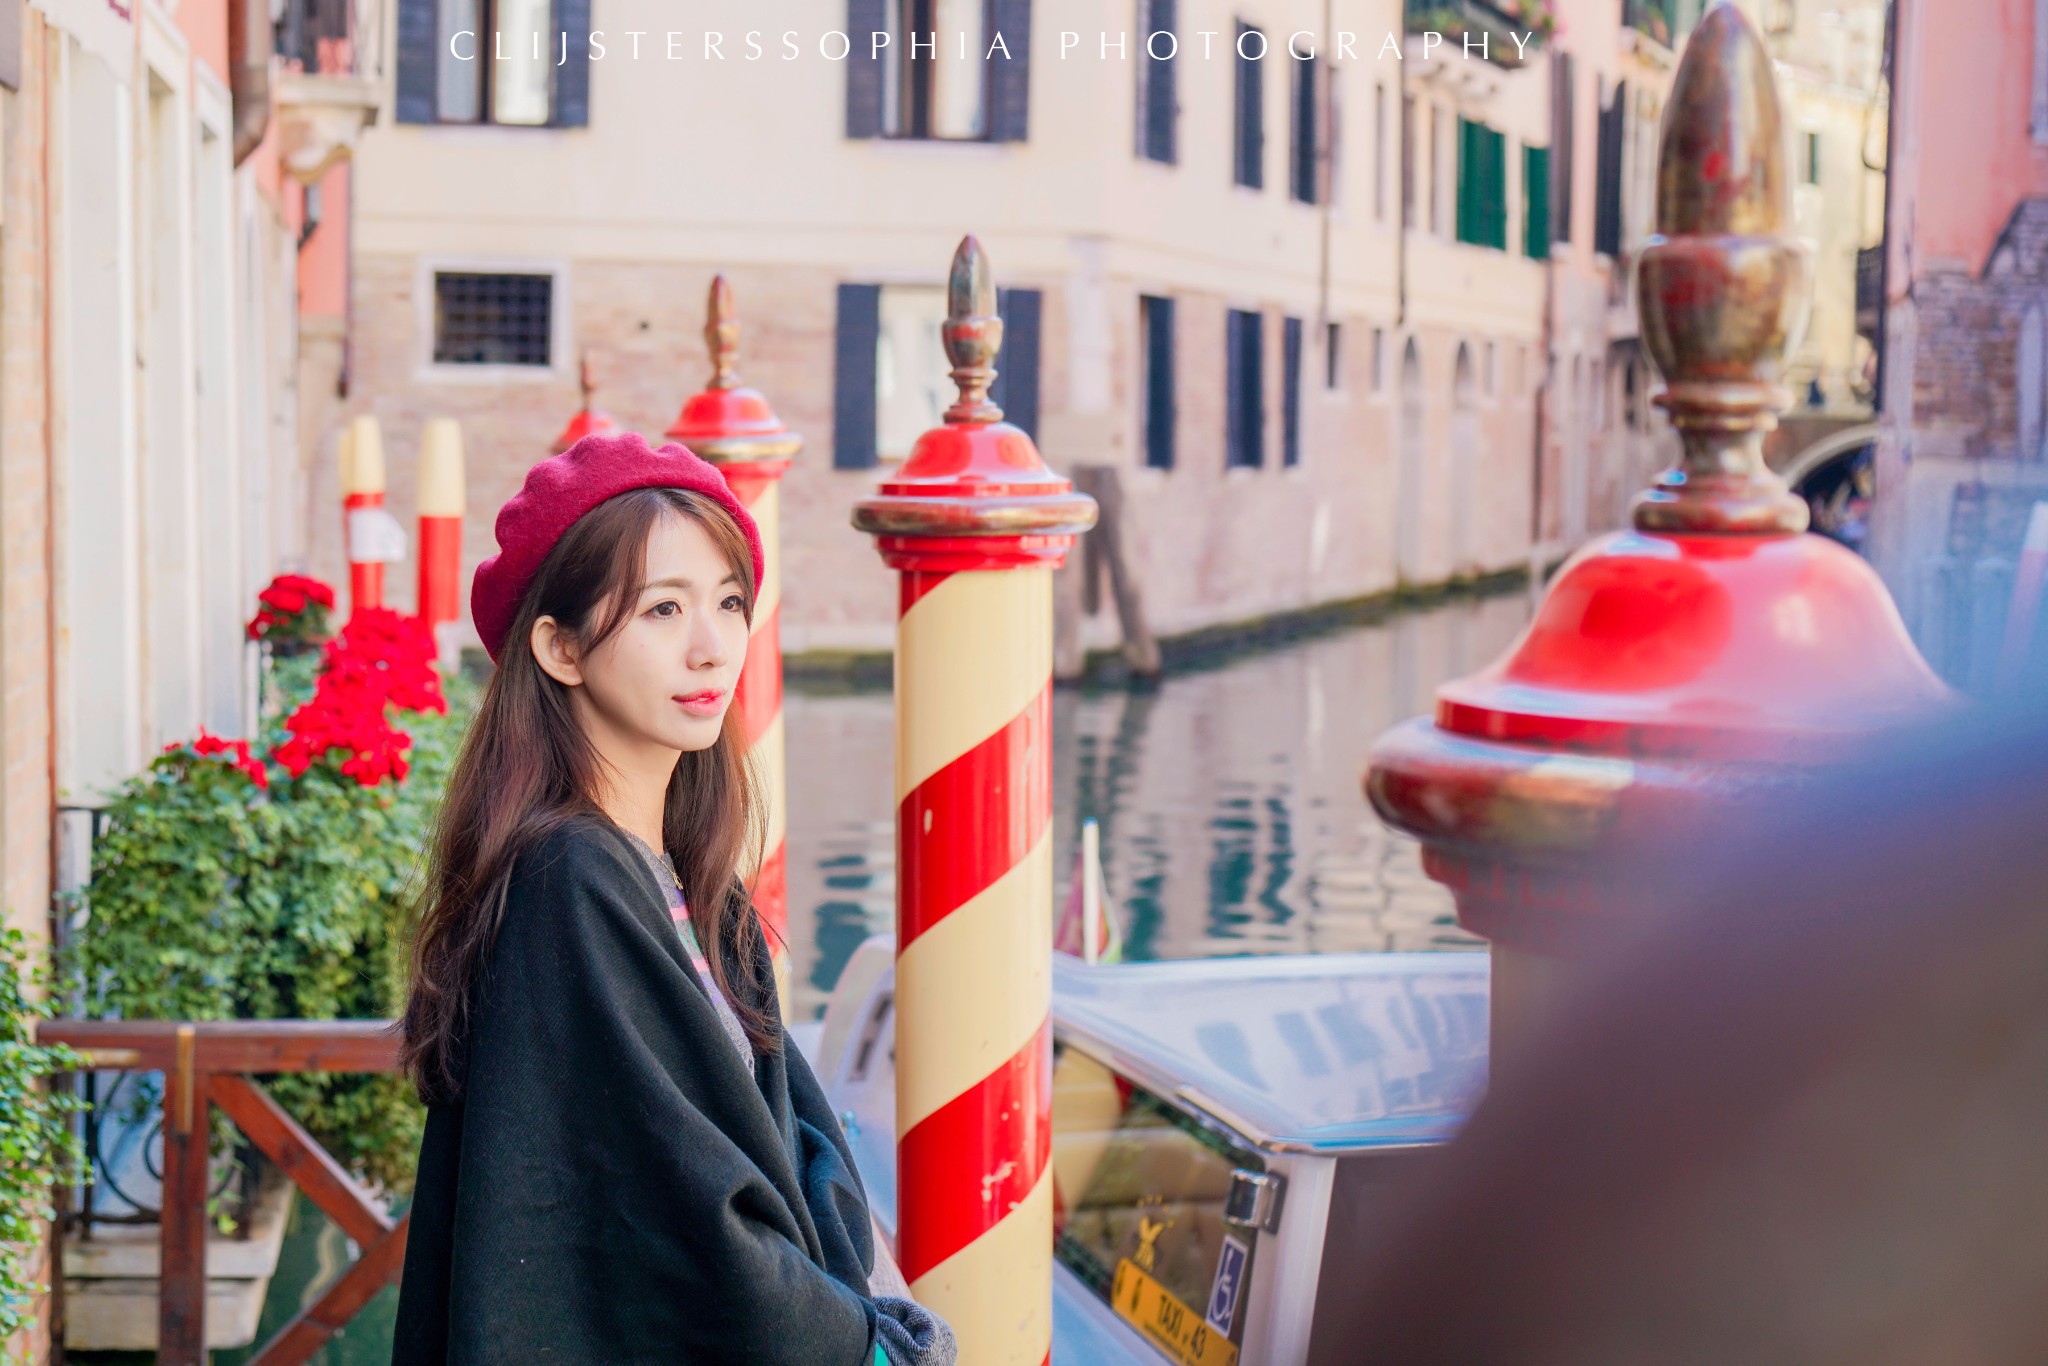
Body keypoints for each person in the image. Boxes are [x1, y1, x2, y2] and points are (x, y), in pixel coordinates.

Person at [392, 432, 954, 1365]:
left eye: (730, 603)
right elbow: (681, 1220)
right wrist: (867, 1343)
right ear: (560, 647)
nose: (712, 647)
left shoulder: (693, 885)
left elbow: (793, 1132)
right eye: (663, 609)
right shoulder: (569, 879)